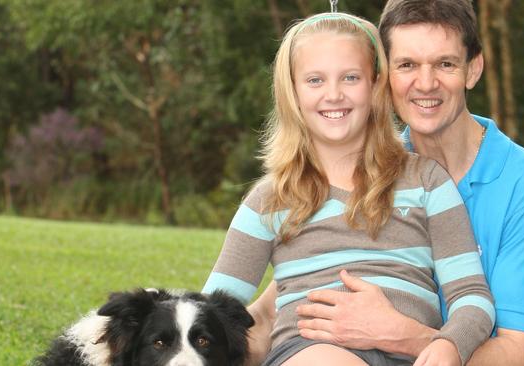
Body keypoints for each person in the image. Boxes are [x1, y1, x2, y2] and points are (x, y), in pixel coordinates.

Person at [246, 1, 524, 366]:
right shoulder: (367, 171)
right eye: (407, 65)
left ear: (473, 69)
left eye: (445, 64)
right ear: (384, 76)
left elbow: (519, 354)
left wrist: (399, 333)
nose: (426, 83)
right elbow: (287, 302)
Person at [203, 12, 495, 366]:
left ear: (375, 86)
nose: (334, 94)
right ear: (292, 92)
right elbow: (213, 310)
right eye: (314, 80)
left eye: (351, 77)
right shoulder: (271, 199)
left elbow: (471, 295)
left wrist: (450, 343)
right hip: (312, 352)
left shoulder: (427, 181)